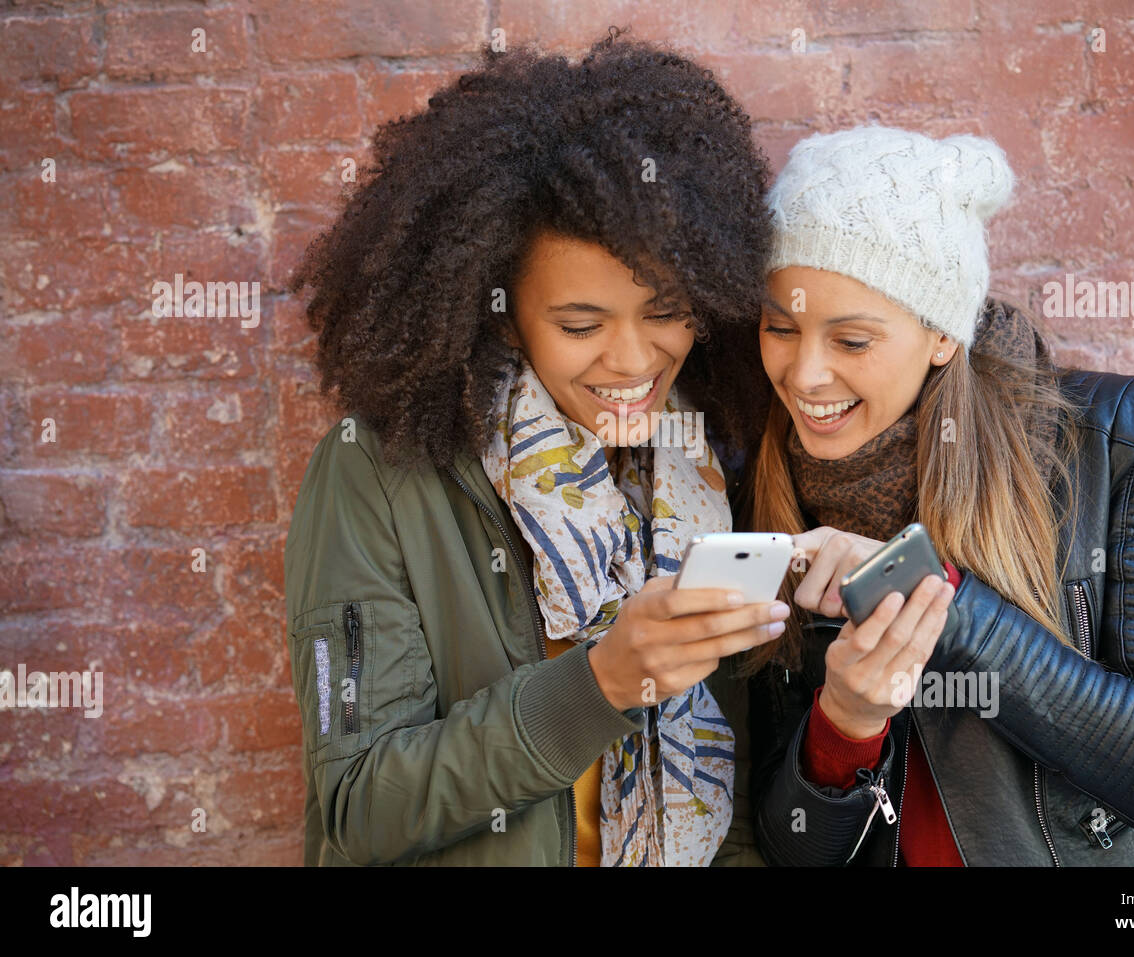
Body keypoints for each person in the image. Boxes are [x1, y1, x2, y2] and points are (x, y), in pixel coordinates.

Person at [282, 30, 782, 866]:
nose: (633, 361)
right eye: (580, 324)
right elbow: (357, 803)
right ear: (501, 310)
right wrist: (600, 687)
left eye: (665, 313)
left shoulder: (696, 470)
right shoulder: (374, 472)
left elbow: (722, 800)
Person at [740, 124, 1134, 866]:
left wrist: (926, 591)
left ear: (943, 334)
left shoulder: (1126, 440)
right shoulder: (769, 489)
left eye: (851, 341)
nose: (805, 375)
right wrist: (843, 723)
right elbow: (792, 852)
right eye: (779, 328)